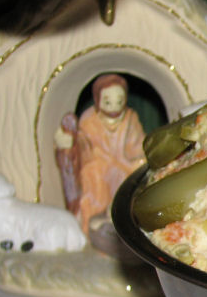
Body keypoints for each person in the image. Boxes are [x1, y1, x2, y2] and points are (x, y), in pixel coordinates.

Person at [54, 73, 145, 236]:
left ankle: (125, 224)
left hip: (124, 164)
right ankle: (91, 224)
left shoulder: (131, 118)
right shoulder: (89, 119)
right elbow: (83, 145)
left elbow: (138, 145)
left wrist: (139, 161)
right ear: (98, 99)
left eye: (119, 101)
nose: (114, 107)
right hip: (98, 163)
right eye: (108, 102)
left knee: (132, 180)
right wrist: (69, 142)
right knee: (93, 176)